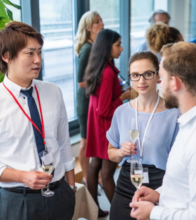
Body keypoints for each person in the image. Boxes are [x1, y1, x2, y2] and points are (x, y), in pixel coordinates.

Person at [129, 42, 196, 220]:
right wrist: (159, 194)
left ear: (175, 82)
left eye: (161, 78)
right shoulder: (194, 120)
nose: (159, 85)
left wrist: (153, 212)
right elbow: (186, 184)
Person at [0, 21, 76, 220]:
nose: (38, 60)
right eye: (30, 53)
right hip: (18, 200)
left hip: (59, 193)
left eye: (39, 52)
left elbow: (64, 143)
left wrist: (71, 187)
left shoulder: (53, 91)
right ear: (7, 56)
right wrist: (22, 176)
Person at [107, 52, 180, 220]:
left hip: (159, 186)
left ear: (158, 76)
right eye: (135, 75)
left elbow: (180, 161)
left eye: (147, 74)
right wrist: (120, 152)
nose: (141, 81)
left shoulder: (174, 114)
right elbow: (110, 153)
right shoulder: (121, 112)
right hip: (127, 181)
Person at [84, 29, 132, 218]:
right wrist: (124, 96)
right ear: (107, 47)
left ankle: (94, 208)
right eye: (118, 44)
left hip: (96, 124)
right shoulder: (107, 72)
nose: (121, 49)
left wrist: (120, 93)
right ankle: (120, 213)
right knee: (107, 173)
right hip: (105, 125)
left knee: (94, 164)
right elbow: (105, 109)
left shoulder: (99, 66)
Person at [74, 10, 104, 186]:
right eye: (97, 21)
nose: (101, 24)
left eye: (101, 20)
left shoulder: (95, 45)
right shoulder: (86, 48)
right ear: (88, 27)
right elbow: (81, 82)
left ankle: (95, 176)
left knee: (93, 140)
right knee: (85, 141)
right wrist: (102, 80)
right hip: (85, 100)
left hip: (93, 98)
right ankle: (86, 177)